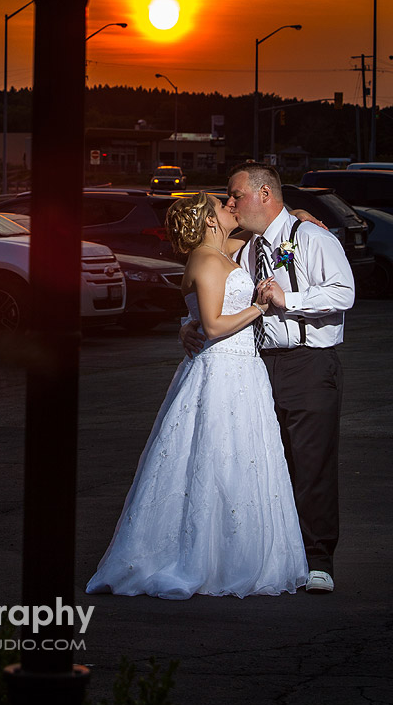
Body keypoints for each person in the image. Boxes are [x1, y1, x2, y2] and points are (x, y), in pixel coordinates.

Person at [86, 191, 308, 600]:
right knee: (213, 457)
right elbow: (212, 325)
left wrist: (299, 216)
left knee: (243, 458)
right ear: (208, 221)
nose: (230, 206)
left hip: (243, 369)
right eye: (222, 204)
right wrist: (260, 307)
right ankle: (203, 557)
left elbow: (277, 244)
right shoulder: (206, 259)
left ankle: (233, 552)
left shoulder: (226, 252)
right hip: (220, 370)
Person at [181, 164, 354, 593]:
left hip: (308, 363)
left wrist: (288, 298)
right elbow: (214, 292)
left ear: (263, 194)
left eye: (235, 195)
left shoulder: (312, 237)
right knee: (264, 462)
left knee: (311, 462)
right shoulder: (242, 248)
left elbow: (344, 291)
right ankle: (273, 553)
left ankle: (317, 561)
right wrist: (188, 323)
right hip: (254, 367)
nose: (231, 203)